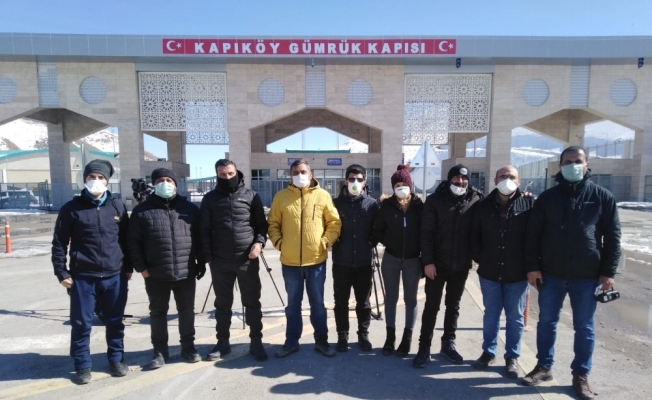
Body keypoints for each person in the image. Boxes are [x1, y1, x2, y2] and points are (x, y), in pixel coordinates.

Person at [522, 146, 621, 400]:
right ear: (560, 166)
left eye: (578, 161)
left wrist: (608, 273)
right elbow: (533, 235)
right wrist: (533, 267)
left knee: (584, 328)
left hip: (587, 276)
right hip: (551, 274)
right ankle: (544, 367)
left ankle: (581, 375)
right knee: (546, 322)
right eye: (568, 162)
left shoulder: (602, 197)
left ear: (587, 165)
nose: (573, 165)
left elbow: (613, 238)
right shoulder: (548, 198)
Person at [51, 159, 131, 384]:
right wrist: (62, 272)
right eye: (91, 177)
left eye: (100, 177)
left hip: (114, 276)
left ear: (107, 181)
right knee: (81, 323)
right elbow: (59, 243)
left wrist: (128, 268)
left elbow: (126, 240)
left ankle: (116, 359)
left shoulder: (117, 207)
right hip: (83, 278)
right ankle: (82, 365)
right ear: (84, 180)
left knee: (115, 321)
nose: (96, 181)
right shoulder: (71, 209)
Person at [128, 168, 205, 369]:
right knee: (158, 313)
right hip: (156, 273)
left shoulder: (189, 209)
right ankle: (160, 352)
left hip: (185, 271)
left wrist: (201, 262)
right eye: (160, 180)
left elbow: (200, 238)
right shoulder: (142, 211)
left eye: (169, 180)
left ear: (176, 184)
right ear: (153, 184)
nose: (165, 183)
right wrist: (142, 269)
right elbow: (133, 242)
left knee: (186, 311)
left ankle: (188, 347)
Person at [268, 159, 341, 358]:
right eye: (295, 172)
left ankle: (322, 341)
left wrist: (325, 242)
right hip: (290, 262)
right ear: (290, 175)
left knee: (318, 304)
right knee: (293, 305)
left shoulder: (322, 195)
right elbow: (273, 224)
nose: (299, 175)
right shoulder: (281, 197)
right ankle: (291, 342)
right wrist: (280, 243)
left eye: (303, 172)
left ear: (310, 174)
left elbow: (334, 223)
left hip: (316, 261)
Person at [412, 164, 483, 368]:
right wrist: (428, 262)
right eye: (456, 179)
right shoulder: (435, 200)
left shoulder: (475, 200)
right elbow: (426, 233)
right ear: (449, 179)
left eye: (464, 180)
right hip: (437, 264)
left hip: (461, 265)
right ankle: (424, 347)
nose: (460, 183)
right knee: (431, 306)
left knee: (453, 306)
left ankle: (448, 344)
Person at [200, 159, 269, 362]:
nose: (227, 177)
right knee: (223, 304)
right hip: (220, 261)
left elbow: (261, 226)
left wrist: (259, 243)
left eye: (230, 173)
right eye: (222, 174)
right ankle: (223, 342)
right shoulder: (210, 199)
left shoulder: (251, 196)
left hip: (247, 259)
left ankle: (256, 341)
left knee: (252, 302)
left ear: (236, 173)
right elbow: (203, 230)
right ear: (217, 175)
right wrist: (209, 258)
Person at [470, 165, 534, 378]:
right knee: (491, 314)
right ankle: (488, 352)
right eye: (503, 176)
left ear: (519, 180)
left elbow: (535, 237)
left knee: (515, 317)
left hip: (517, 273)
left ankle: (512, 357)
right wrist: (481, 258)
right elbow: (474, 235)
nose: (507, 180)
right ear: (495, 180)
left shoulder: (529, 204)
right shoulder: (483, 206)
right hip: (490, 271)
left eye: (511, 176)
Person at [371, 165, 423, 358]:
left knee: (411, 299)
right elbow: (378, 230)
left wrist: (426, 258)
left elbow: (426, 233)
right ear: (393, 187)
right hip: (391, 258)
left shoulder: (420, 207)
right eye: (397, 185)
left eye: (404, 184)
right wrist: (385, 241)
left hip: (413, 260)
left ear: (410, 185)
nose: (401, 187)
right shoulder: (386, 206)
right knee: (391, 298)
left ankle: (407, 338)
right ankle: (390, 337)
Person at [331, 164, 380, 352]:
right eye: (352, 179)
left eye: (359, 179)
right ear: (345, 181)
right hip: (341, 262)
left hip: (364, 263)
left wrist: (371, 242)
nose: (355, 182)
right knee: (340, 302)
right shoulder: (335, 204)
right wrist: (335, 242)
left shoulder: (372, 204)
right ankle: (342, 336)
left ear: (365, 182)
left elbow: (379, 228)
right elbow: (328, 226)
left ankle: (363, 334)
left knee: (364, 303)